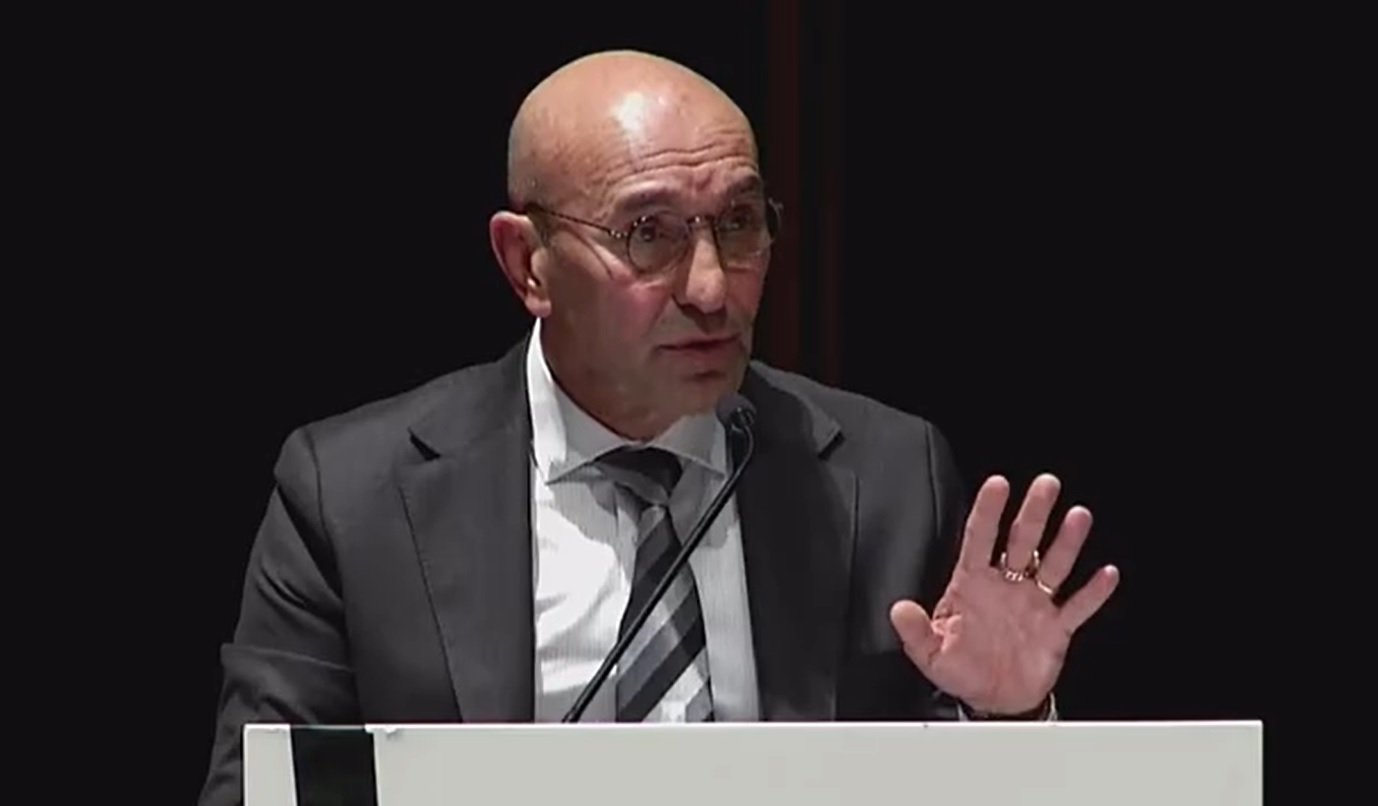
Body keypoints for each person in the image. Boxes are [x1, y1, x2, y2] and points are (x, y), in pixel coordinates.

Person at [198, 49, 1119, 805]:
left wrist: (1004, 720)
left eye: (740, 223)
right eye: (649, 234)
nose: (712, 287)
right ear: (528, 264)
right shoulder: (352, 496)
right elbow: (264, 793)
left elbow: (952, 788)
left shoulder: (887, 479)